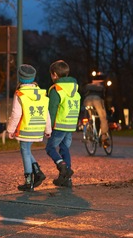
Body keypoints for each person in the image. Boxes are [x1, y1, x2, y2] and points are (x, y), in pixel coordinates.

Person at [6, 64, 51, 192]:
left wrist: (10, 130)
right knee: (26, 149)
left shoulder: (20, 93)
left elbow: (16, 114)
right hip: (37, 127)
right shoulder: (40, 92)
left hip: (26, 127)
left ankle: (29, 181)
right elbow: (45, 112)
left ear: (20, 77)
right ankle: (37, 172)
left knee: (24, 151)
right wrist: (48, 129)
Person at [46, 60, 81, 187]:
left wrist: (48, 127)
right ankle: (66, 179)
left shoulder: (56, 89)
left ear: (54, 74)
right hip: (71, 124)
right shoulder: (75, 89)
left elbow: (52, 110)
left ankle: (62, 165)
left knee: (50, 148)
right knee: (64, 148)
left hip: (59, 124)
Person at [83, 76, 109, 146]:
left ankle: (89, 133)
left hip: (87, 100)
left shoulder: (88, 86)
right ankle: (104, 137)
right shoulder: (101, 87)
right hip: (97, 100)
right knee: (103, 118)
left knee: (91, 117)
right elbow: (103, 98)